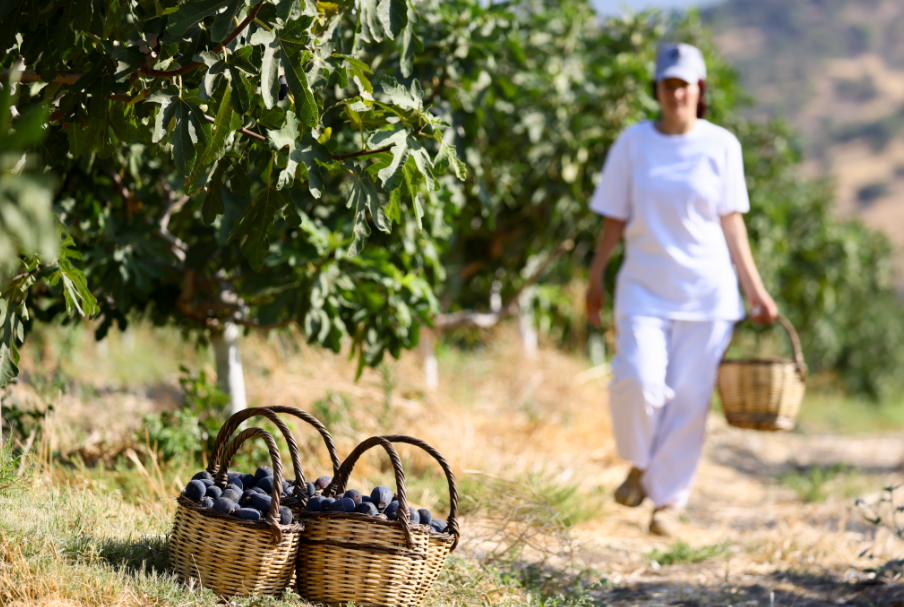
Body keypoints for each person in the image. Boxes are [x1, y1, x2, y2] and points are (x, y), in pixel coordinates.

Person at [584, 43, 778, 536]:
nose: (675, 92)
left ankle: (667, 502)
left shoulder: (722, 145)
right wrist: (595, 277)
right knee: (637, 380)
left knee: (690, 402)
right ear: (657, 89)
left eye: (683, 83)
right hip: (643, 289)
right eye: (667, 84)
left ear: (700, 89)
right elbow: (613, 216)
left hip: (709, 296)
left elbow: (732, 222)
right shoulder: (632, 143)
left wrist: (755, 290)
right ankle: (641, 463)